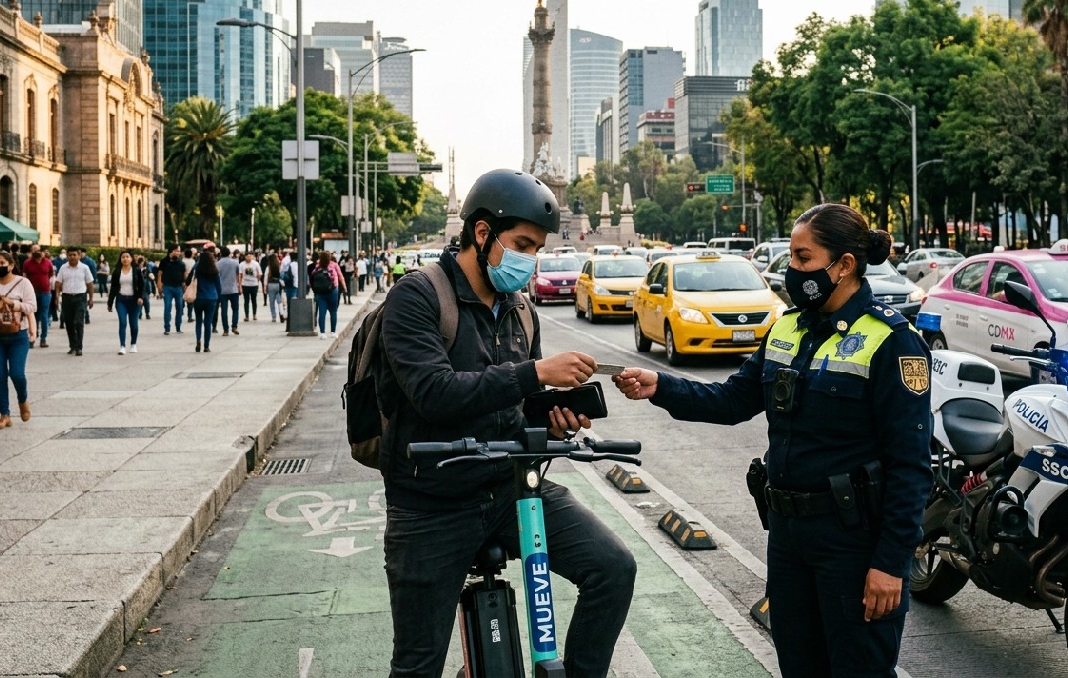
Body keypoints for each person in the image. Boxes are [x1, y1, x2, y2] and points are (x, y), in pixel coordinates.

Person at [613, 203, 932, 678]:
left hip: (852, 542)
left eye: (804, 258)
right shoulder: (787, 327)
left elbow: (910, 465)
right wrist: (662, 386)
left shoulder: (892, 341)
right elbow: (732, 400)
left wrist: (891, 563)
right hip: (788, 538)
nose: (792, 269)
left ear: (844, 265)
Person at [379, 169, 634, 677]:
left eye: (537, 248)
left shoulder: (520, 310)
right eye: (521, 244)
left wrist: (552, 417)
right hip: (431, 504)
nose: (530, 260)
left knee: (613, 568)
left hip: (512, 490)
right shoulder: (417, 297)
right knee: (418, 663)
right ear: (481, 233)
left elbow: (517, 404)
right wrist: (533, 372)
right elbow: (433, 394)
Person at [0, 251, 37, 429]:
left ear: (11, 265)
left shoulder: (23, 283)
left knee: (17, 374)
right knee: (0, 376)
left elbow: (32, 306)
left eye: (3, 262)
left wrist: (11, 303)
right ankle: (4, 414)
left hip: (18, 335)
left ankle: (23, 400)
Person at [54, 248, 94, 356]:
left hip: (80, 297)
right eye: (70, 255)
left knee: (79, 322)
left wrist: (91, 298)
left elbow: (90, 284)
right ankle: (72, 346)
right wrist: (57, 297)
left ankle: (79, 347)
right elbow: (58, 283)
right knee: (69, 323)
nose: (72, 257)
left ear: (79, 256)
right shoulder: (63, 268)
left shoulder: (84, 268)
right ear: (67, 256)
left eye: (74, 255)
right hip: (67, 298)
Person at [107, 251, 145, 354]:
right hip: (121, 300)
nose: (125, 259)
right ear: (120, 259)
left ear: (131, 259)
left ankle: (133, 344)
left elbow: (142, 285)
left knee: (133, 324)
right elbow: (113, 288)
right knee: (123, 322)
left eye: (127, 257)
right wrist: (110, 303)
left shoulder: (136, 270)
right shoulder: (117, 271)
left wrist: (140, 297)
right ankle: (122, 346)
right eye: (123, 257)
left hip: (134, 300)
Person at [188, 249, 222, 353]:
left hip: (198, 297)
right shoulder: (214, 269)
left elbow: (189, 279)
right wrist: (219, 299)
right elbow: (218, 286)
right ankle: (206, 346)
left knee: (198, 320)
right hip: (211, 298)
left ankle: (198, 339)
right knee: (208, 323)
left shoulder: (197, 268)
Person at [21, 244, 53, 348]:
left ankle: (43, 338)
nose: (36, 251)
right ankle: (33, 337)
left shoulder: (48, 262)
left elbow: (51, 275)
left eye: (37, 249)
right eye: (33, 250)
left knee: (44, 315)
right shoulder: (27, 263)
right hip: (31, 293)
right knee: (32, 315)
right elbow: (24, 277)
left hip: (45, 292)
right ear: (31, 251)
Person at [311, 250, 345, 339]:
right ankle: (333, 332)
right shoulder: (334, 265)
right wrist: (344, 287)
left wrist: (315, 289)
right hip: (333, 290)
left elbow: (312, 277)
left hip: (320, 292)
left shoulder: (318, 267)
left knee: (322, 312)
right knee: (333, 311)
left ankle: (322, 332)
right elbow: (340, 276)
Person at [157, 245, 187, 335]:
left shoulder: (181, 263)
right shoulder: (164, 262)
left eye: (179, 251)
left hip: (178, 288)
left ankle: (178, 327)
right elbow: (159, 275)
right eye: (177, 251)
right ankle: (167, 328)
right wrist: (159, 287)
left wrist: (185, 287)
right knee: (167, 307)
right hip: (167, 287)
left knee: (179, 308)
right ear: (171, 251)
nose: (179, 253)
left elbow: (184, 276)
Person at [215, 248, 241, 336]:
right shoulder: (235, 262)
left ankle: (225, 330)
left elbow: (216, 277)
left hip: (222, 290)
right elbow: (238, 275)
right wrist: (239, 286)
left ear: (221, 254)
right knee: (235, 309)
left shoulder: (217, 264)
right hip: (234, 289)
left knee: (224, 311)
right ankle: (234, 326)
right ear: (229, 253)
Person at [239, 252, 262, 322]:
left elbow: (260, 273)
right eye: (247, 256)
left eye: (250, 256)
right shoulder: (241, 264)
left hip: (254, 284)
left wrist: (257, 279)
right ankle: (247, 315)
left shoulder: (256, 264)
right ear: (245, 257)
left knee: (254, 300)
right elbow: (240, 274)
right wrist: (239, 285)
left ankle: (254, 314)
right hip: (245, 284)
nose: (249, 258)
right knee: (246, 300)